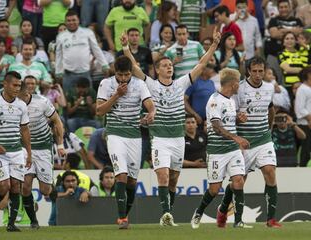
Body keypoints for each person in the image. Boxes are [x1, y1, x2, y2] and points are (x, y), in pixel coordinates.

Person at [121, 27, 220, 226]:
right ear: (157, 70)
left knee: (174, 179)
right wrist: (125, 47)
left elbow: (201, 65)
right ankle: (167, 214)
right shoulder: (151, 84)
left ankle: (168, 213)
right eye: (164, 65)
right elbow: (133, 66)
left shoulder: (180, 84)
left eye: (170, 65)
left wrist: (215, 46)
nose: (169, 68)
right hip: (159, 139)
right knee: (163, 174)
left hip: (178, 139)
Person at [217, 56, 282, 228]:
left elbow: (271, 109)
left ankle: (271, 219)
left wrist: (269, 128)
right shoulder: (240, 90)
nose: (258, 75)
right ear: (248, 71)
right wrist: (238, 119)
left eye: (261, 71)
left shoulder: (269, 88)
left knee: (270, 171)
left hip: (263, 139)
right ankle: (223, 209)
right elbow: (231, 116)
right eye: (255, 71)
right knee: (238, 181)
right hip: (244, 142)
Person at [96, 56, 156, 229]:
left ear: (131, 72)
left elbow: (150, 105)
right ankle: (122, 219)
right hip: (115, 133)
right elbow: (99, 111)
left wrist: (151, 113)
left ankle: (124, 214)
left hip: (134, 135)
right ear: (115, 72)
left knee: (132, 181)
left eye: (127, 75)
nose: (123, 79)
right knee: (120, 175)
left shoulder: (139, 84)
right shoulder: (106, 84)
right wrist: (116, 95)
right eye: (120, 75)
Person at [190, 68, 251, 229]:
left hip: (232, 150)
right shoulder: (215, 100)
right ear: (233, 84)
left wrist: (238, 120)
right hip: (217, 151)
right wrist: (236, 137)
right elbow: (216, 126)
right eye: (238, 83)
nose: (239, 86)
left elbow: (226, 123)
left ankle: (238, 221)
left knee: (238, 181)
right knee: (214, 189)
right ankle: (199, 211)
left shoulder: (230, 100)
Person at [0, 71, 31, 232]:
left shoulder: (21, 105)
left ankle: (11, 224)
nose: (17, 88)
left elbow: (24, 130)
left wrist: (29, 153)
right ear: (5, 84)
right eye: (14, 85)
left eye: (19, 85)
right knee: (4, 187)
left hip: (16, 151)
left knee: (16, 187)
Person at [17, 75, 66, 229]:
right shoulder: (13, 104)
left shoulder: (42, 102)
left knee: (45, 190)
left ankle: (51, 186)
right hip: (25, 149)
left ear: (26, 93)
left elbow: (57, 121)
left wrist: (60, 144)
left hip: (43, 148)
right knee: (25, 186)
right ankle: (34, 221)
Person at [56, 10, 109, 91]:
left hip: (85, 73)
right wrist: (58, 71)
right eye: (69, 20)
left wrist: (104, 65)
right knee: (69, 101)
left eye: (74, 20)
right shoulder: (61, 36)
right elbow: (59, 55)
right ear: (65, 22)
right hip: (68, 74)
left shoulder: (87, 32)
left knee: (88, 99)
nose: (71, 22)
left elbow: (96, 49)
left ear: (78, 20)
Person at [278, 32, 307, 99]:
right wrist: (302, 69)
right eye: (287, 39)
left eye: (292, 38)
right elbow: (287, 69)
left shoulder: (301, 53)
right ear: (283, 42)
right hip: (288, 86)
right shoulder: (281, 54)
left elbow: (307, 68)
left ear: (296, 41)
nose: (289, 41)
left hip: (302, 85)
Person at [295, 66, 311, 167]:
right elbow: (299, 109)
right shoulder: (302, 89)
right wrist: (309, 119)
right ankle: (302, 168)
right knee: (305, 150)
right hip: (305, 125)